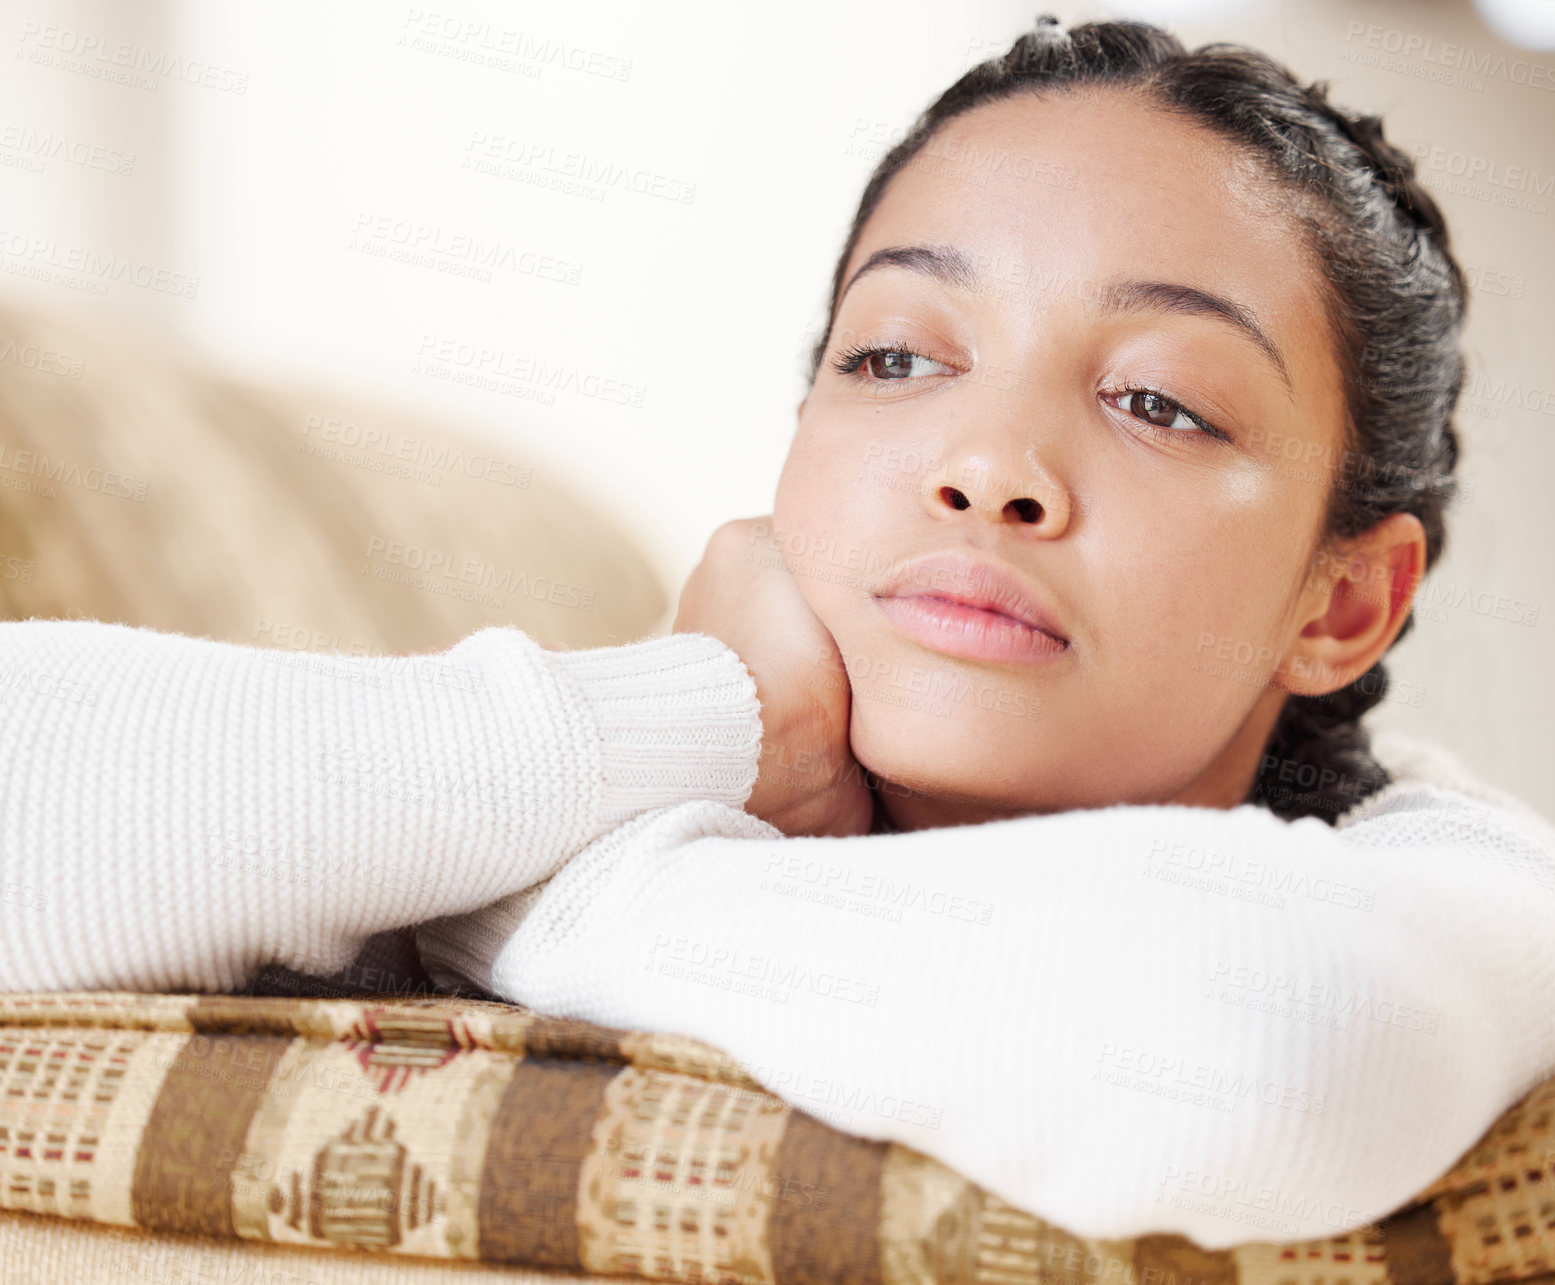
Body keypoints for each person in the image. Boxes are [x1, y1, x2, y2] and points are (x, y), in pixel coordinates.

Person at [3, 13, 1553, 1251]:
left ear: (1342, 601)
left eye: (1156, 399)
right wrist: (715, 708)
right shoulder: (581, 769)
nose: (987, 463)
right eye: (895, 355)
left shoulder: (1468, 878)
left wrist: (549, 907)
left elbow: (1261, 1045)